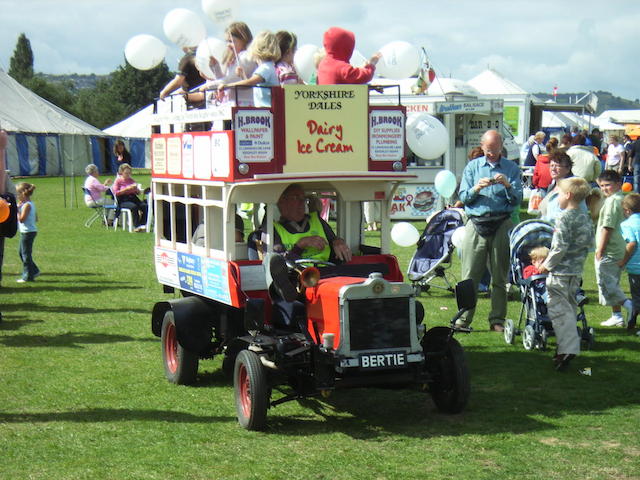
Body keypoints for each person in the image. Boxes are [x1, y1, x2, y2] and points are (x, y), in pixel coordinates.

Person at [457, 130, 523, 331]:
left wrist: (507, 185)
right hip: (476, 222)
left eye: (495, 149)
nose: (492, 153)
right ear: (482, 146)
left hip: (501, 222)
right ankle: (463, 320)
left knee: (500, 276)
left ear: (501, 146)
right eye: (488, 149)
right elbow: (463, 197)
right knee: (469, 276)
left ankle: (497, 320)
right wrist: (476, 188)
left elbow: (517, 199)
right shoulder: (472, 167)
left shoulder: (511, 168)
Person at [538, 177, 593, 371]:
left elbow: (559, 246)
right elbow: (588, 243)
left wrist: (547, 265)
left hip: (560, 272)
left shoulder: (564, 217)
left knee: (560, 311)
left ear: (568, 195)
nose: (557, 198)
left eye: (559, 194)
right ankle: (565, 348)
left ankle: (568, 348)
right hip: (575, 271)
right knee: (569, 307)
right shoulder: (584, 216)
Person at [595, 170, 632, 327]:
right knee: (611, 282)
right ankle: (616, 315)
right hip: (620, 246)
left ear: (618, 184)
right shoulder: (623, 199)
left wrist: (600, 249)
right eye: (602, 186)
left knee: (606, 283)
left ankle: (629, 305)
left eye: (608, 185)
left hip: (610, 249)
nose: (604, 189)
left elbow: (607, 227)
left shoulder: (612, 202)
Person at [193, 21, 257, 107]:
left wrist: (208, 86)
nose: (228, 45)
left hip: (244, 104)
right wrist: (215, 67)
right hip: (232, 103)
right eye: (227, 41)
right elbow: (225, 80)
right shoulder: (235, 58)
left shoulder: (246, 57)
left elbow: (231, 80)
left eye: (231, 41)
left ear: (244, 40)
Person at [219, 30, 280, 107]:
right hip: (265, 110)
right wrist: (243, 75)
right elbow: (249, 84)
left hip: (267, 110)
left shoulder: (265, 68)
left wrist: (227, 86)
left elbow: (250, 82)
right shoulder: (268, 67)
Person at [619, 193, 640, 335]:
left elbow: (631, 243)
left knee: (637, 296)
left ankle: (632, 320)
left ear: (627, 210)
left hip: (636, 266)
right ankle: (632, 322)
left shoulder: (626, 224)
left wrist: (623, 261)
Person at [112, 163, 147, 232]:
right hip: (123, 199)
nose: (128, 174)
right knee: (134, 207)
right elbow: (116, 192)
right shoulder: (118, 181)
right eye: (126, 173)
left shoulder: (131, 180)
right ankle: (136, 226)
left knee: (145, 206)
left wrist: (137, 190)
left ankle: (142, 224)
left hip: (133, 197)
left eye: (129, 173)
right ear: (121, 172)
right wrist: (127, 189)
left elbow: (137, 192)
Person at [16, 182, 40, 283]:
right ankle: (34, 270)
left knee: (25, 254)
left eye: (18, 194)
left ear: (23, 193)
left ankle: (28, 276)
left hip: (28, 232)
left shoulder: (26, 206)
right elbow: (36, 218)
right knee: (22, 253)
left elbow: (21, 219)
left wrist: (17, 210)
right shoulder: (30, 204)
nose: (17, 196)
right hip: (29, 231)